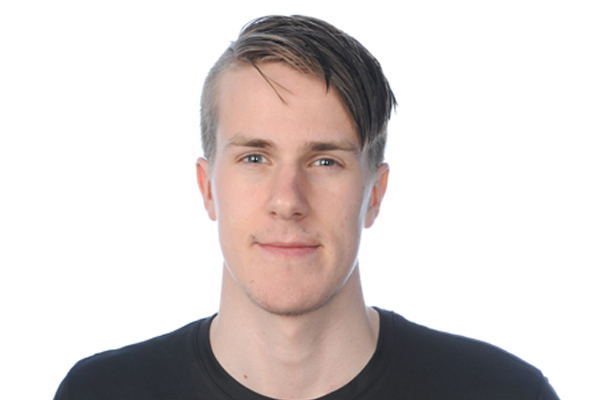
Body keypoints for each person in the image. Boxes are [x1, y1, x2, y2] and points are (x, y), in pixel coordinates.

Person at [54, 15, 559, 400]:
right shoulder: (101, 393)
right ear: (207, 188)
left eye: (324, 161)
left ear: (375, 193)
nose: (287, 200)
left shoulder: (503, 392)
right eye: (255, 157)